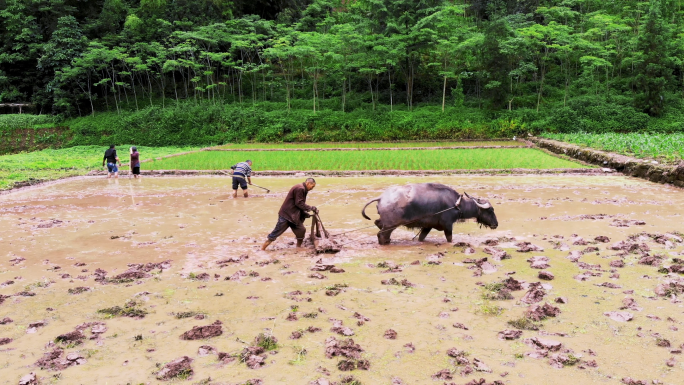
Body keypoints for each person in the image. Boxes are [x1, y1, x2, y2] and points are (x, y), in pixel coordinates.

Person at [262, 178, 318, 250]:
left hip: (294, 215)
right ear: (308, 183)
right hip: (286, 215)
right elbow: (299, 203)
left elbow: (298, 203)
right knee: (275, 233)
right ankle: (263, 249)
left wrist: (304, 213)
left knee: (301, 230)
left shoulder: (303, 189)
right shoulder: (300, 188)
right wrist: (311, 208)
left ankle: (298, 247)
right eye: (312, 186)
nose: (312, 188)